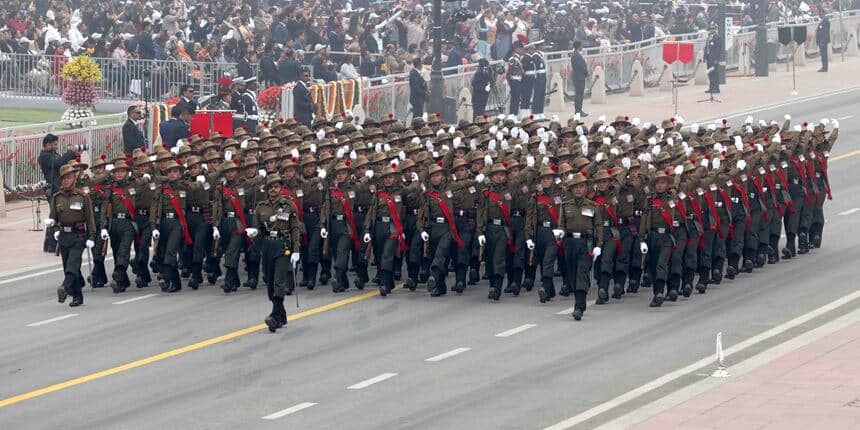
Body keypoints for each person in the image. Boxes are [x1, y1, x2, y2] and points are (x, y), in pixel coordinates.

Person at [250, 174, 301, 333]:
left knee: (279, 281)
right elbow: (257, 228)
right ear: (266, 190)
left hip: (282, 245)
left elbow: (295, 228)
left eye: (276, 186)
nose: (273, 189)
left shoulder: (289, 206)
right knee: (270, 281)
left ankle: (274, 315)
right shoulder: (261, 207)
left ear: (281, 188)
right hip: (267, 246)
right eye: (270, 187)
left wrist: (296, 250)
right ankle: (281, 314)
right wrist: (253, 234)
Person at [47, 163, 96, 307]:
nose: (65, 181)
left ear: (74, 178)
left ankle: (64, 288)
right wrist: (55, 230)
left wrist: (91, 237)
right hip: (64, 236)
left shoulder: (82, 196)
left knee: (72, 265)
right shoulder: (57, 198)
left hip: (78, 236)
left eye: (68, 178)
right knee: (68, 267)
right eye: (63, 179)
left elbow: (90, 218)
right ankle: (77, 296)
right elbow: (53, 218)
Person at [557, 172, 603, 320]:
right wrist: (560, 233)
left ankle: (579, 306)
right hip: (569, 243)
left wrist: (599, 245)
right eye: (575, 187)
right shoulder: (565, 206)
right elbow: (561, 224)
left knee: (581, 273)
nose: (578, 189)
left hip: (586, 243)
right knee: (572, 274)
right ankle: (579, 299)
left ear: (586, 189)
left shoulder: (592, 206)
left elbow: (598, 225)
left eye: (581, 186)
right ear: (571, 190)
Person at [39, 133, 78, 252]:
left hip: (57, 187)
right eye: (54, 144)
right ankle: (51, 244)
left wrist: (74, 155)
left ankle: (51, 244)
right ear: (47, 144)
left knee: (55, 216)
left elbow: (62, 164)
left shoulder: (52, 154)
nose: (56, 147)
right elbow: (59, 163)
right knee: (55, 216)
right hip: (53, 189)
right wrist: (70, 153)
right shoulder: (45, 156)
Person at [529, 40, 547, 120]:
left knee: (542, 95)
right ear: (538, 46)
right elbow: (534, 69)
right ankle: (535, 113)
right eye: (542, 45)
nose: (544, 46)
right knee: (537, 96)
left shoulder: (541, 55)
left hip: (542, 77)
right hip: (538, 78)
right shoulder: (536, 56)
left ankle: (540, 112)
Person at [570, 41, 588, 117]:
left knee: (579, 94)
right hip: (579, 77)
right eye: (581, 46)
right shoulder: (576, 55)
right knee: (579, 95)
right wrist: (586, 72)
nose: (582, 47)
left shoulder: (576, 54)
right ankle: (578, 111)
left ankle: (579, 110)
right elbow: (581, 66)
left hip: (579, 76)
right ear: (578, 46)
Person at [704, 23, 722, 94]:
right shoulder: (708, 37)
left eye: (713, 28)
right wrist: (705, 57)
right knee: (710, 73)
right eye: (710, 28)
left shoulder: (717, 38)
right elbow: (706, 47)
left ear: (715, 29)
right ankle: (711, 88)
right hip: (709, 58)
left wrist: (716, 59)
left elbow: (718, 49)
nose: (711, 30)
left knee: (715, 73)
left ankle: (716, 88)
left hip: (714, 59)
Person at [507, 41, 524, 115]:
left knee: (517, 99)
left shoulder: (519, 58)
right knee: (514, 99)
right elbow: (509, 71)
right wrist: (510, 81)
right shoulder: (513, 59)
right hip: (514, 80)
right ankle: (512, 114)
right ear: (516, 49)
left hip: (518, 80)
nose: (522, 50)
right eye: (520, 48)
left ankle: (515, 114)